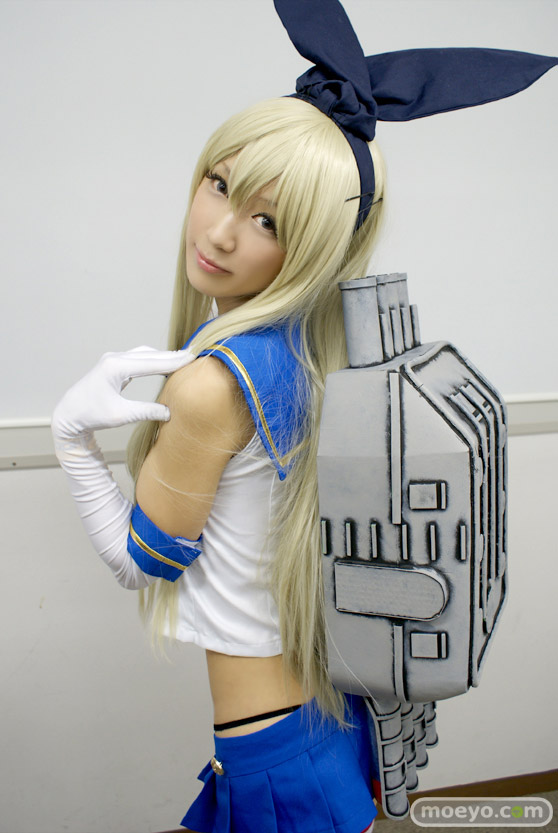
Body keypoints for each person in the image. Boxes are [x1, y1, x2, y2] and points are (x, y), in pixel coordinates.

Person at [52, 93, 386, 833]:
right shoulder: (316, 348)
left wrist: (71, 440)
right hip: (327, 716)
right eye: (221, 184)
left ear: (312, 248)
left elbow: (140, 565)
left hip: (275, 753)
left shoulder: (212, 384)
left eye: (270, 222)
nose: (221, 232)